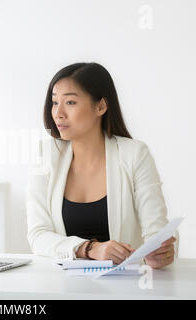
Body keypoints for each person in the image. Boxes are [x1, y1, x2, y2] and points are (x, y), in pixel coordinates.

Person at [26, 62, 177, 269]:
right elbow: (38, 235)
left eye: (70, 102)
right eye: (54, 102)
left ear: (101, 106)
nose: (58, 113)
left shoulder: (135, 154)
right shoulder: (46, 155)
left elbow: (156, 228)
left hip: (124, 287)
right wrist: (89, 248)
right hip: (62, 287)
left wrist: (160, 251)